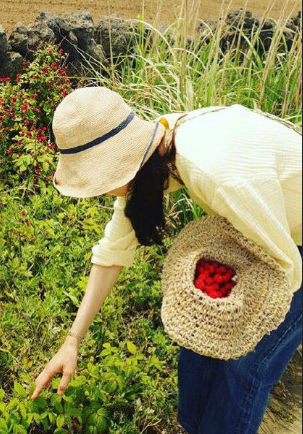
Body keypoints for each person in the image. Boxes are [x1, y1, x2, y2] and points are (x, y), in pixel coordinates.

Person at [29, 86, 302, 434]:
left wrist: (252, 324)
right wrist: (72, 341)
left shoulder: (214, 171)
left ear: (120, 164)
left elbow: (287, 268)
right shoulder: (157, 152)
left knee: (246, 365)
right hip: (270, 229)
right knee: (200, 336)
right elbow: (113, 249)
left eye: (98, 180)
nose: (97, 190)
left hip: (290, 250)